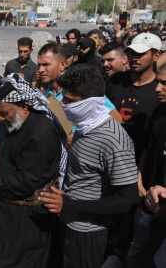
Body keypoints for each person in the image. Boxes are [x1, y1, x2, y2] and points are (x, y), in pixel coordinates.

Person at [38, 64, 138, 268]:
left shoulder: (114, 141)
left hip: (88, 234)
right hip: (65, 222)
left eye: (69, 101)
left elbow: (128, 201)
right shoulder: (84, 127)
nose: (62, 104)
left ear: (89, 103)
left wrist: (70, 205)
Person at [0, 73, 67, 268]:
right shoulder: (16, 122)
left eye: (4, 113)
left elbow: (27, 182)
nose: (0, 119)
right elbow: (18, 158)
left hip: (26, 221)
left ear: (24, 107)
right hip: (4, 216)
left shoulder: (40, 132)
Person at [38, 43, 122, 149]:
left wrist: (79, 137)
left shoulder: (81, 89)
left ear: (63, 65)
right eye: (39, 65)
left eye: (46, 65)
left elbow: (117, 120)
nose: (40, 70)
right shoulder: (44, 97)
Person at [127, 64, 166, 268]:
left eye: (164, 83)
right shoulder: (159, 112)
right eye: (157, 81)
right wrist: (140, 184)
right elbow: (147, 150)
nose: (157, 88)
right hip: (147, 203)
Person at [106, 32, 161, 164]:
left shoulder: (160, 90)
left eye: (141, 54)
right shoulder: (115, 81)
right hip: (108, 156)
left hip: (139, 163)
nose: (134, 58)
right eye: (131, 53)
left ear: (156, 56)